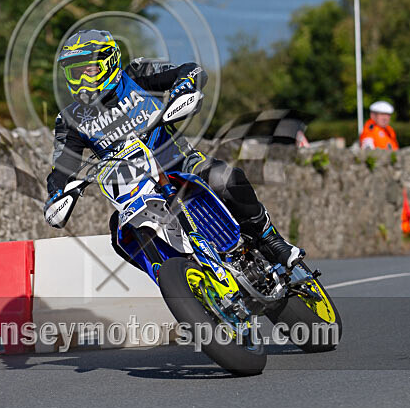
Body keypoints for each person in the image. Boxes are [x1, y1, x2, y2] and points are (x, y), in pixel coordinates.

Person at [43, 29, 303, 269]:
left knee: (223, 178)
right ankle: (181, 281)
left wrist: (184, 87)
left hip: (180, 162)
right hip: (133, 189)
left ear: (108, 62)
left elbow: (190, 70)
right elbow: (63, 165)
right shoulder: (69, 120)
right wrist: (58, 192)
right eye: (74, 74)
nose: (81, 80)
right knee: (119, 235)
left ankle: (269, 239)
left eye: (87, 70)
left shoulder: (136, 73)